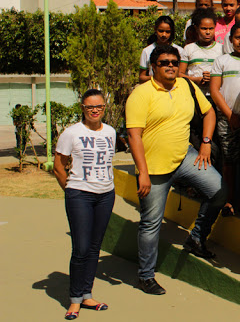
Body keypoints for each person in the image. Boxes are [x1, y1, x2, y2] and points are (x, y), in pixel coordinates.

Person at [126, 45, 225, 295]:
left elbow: (209, 112)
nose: (170, 66)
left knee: (220, 192)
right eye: (164, 62)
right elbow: (134, 135)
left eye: (174, 62)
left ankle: (196, 238)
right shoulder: (140, 94)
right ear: (153, 67)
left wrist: (205, 142)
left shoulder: (186, 85)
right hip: (153, 168)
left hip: (185, 158)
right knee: (151, 224)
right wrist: (142, 172)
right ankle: (146, 276)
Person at [53, 89, 116, 320]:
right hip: (80, 195)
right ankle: (75, 299)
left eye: (99, 106)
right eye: (90, 107)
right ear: (83, 108)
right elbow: (58, 166)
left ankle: (87, 295)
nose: (95, 110)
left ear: (104, 107)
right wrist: (71, 190)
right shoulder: (71, 133)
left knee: (94, 248)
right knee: (80, 248)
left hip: (106, 195)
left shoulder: (110, 132)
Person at [210, 22, 240, 216]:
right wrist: (230, 116)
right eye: (237, 38)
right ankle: (229, 200)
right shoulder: (221, 61)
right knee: (229, 160)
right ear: (230, 40)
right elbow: (215, 90)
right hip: (226, 118)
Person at [179, 8, 224, 95]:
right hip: (194, 94)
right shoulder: (189, 48)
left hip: (215, 96)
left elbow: (226, 74)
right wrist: (195, 80)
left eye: (211, 28)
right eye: (204, 29)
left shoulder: (221, 49)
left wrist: (214, 78)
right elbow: (180, 74)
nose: (208, 32)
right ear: (196, 29)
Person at [139, 16, 183, 83]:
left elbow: (181, 74)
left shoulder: (180, 51)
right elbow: (142, 77)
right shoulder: (147, 51)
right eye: (161, 31)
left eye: (167, 32)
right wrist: (158, 77)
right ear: (155, 30)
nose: (164, 35)